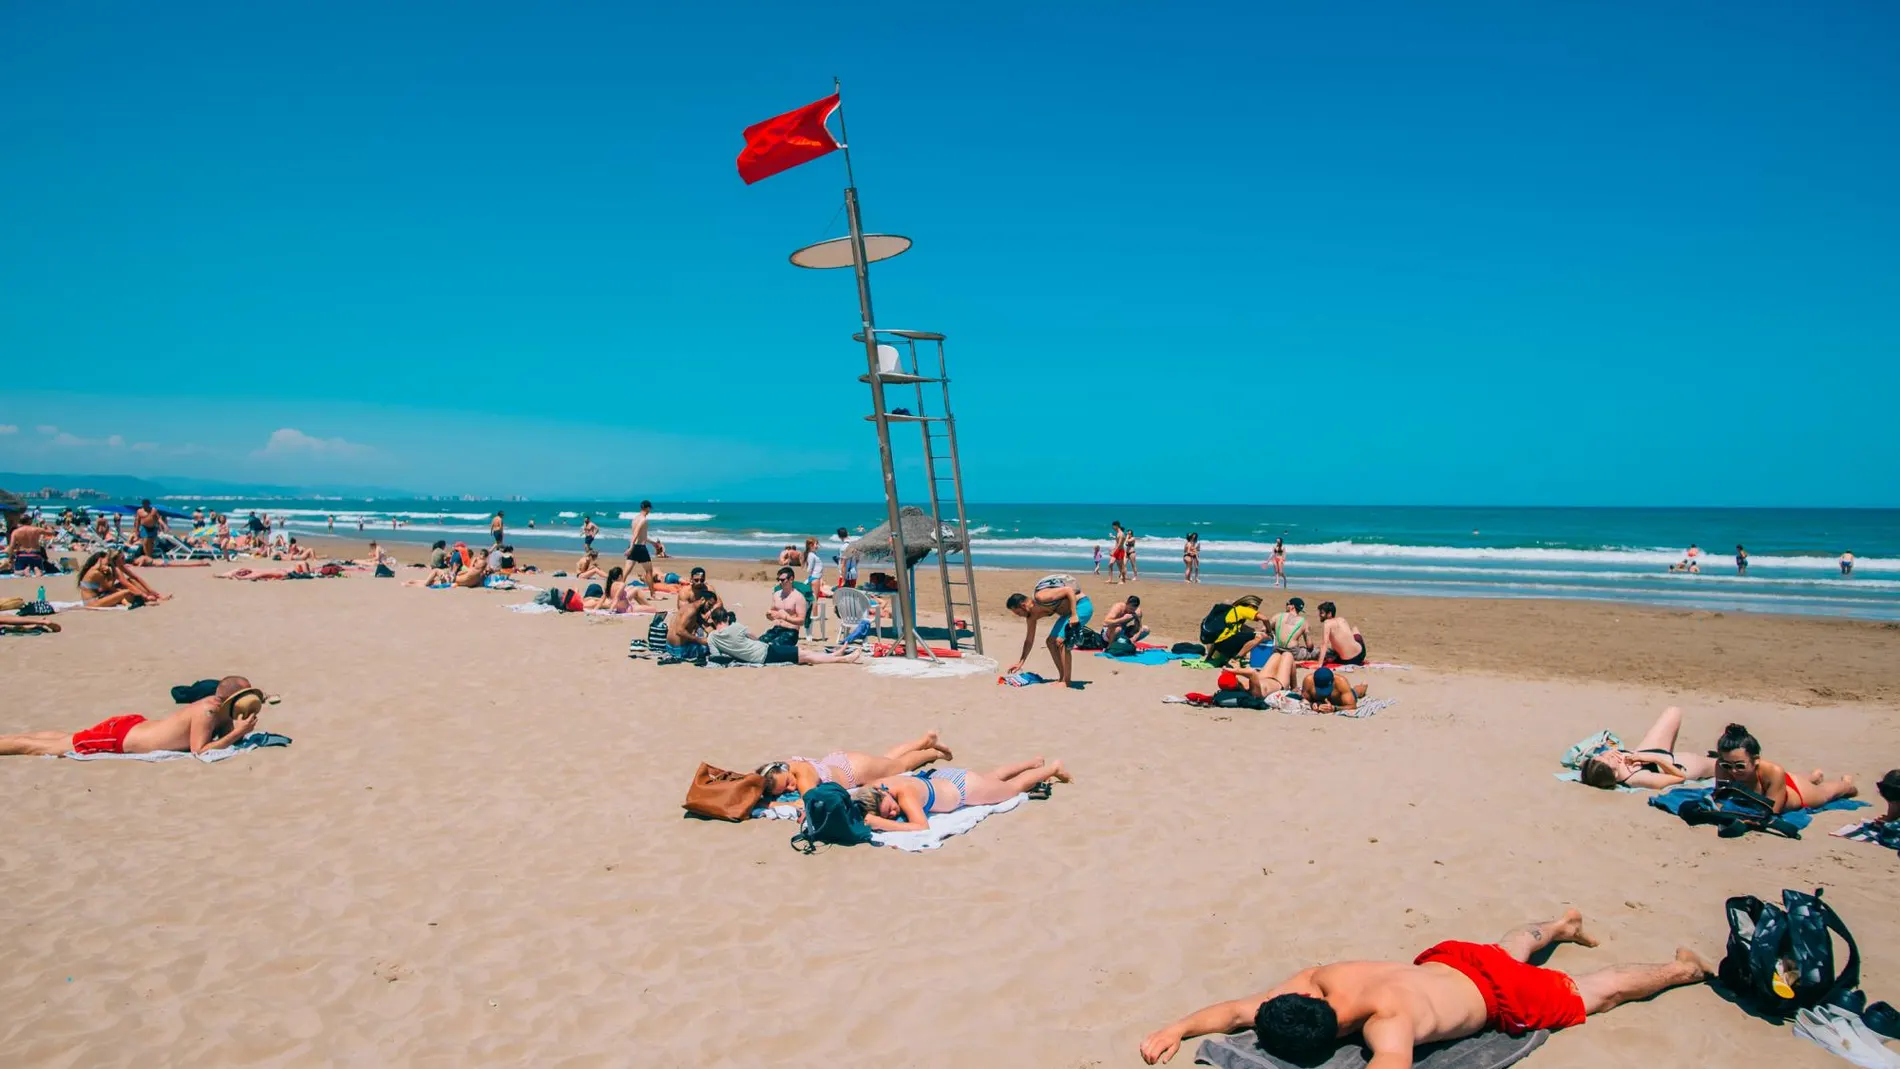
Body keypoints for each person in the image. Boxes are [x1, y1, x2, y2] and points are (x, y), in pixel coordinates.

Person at [1138, 909, 1710, 1066]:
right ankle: (1560, 925)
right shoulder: (1321, 981)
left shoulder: (1388, 1025)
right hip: (1452, 959)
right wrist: (1177, 1027)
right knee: (1510, 944)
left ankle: (1685, 969)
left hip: (1500, 1000)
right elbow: (1241, 1011)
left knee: (1599, 990)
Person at [1, 679, 267, 757]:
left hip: (131, 726)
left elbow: (223, 736)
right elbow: (200, 751)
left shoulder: (220, 712)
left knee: (64, 738)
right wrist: (237, 733)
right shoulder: (207, 711)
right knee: (45, 748)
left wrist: (237, 725)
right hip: (121, 738)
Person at [853, 758, 1071, 831]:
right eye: (888, 815)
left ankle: (1052, 768)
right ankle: (1032, 762)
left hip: (963, 789)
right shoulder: (881, 786)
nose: (893, 813)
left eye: (889, 809)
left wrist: (881, 824)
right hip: (943, 778)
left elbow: (921, 826)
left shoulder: (906, 796)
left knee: (1013, 789)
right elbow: (861, 792)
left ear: (886, 795)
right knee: (992, 777)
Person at [1713, 722, 1857, 813]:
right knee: (1798, 779)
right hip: (1778, 783)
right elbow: (1720, 799)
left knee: (1826, 792)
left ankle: (1846, 783)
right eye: (1727, 765)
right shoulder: (1721, 766)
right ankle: (1813, 777)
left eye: (1739, 766)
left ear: (1756, 760)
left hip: (1794, 794)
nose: (1732, 771)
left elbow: (1772, 810)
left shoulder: (1773, 771)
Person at [757, 731, 955, 797]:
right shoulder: (786, 765)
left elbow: (806, 800)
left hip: (854, 771)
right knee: (887, 761)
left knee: (898, 767)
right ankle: (924, 741)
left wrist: (775, 803)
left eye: (788, 782)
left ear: (784, 769)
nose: (792, 787)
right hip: (843, 763)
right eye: (785, 790)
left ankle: (931, 751)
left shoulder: (803, 773)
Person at [1577, 706, 1720, 790]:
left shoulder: (1603, 765)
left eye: (1601, 755)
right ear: (1614, 774)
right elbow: (1679, 778)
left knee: (1673, 711)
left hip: (1649, 751)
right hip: (1680, 766)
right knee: (1723, 765)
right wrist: (1653, 759)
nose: (1607, 754)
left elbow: (1587, 766)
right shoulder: (1638, 778)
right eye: (1606, 759)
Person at [1005, 574, 1090, 688]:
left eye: (1018, 613)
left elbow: (1069, 591)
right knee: (1050, 642)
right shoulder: (1031, 617)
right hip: (1067, 614)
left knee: (1060, 641)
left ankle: (1066, 681)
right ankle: (1062, 677)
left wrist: (1074, 615)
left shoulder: (1041, 597)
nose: (1019, 616)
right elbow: (1029, 640)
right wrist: (1021, 662)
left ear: (1023, 605)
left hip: (1081, 606)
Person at [707, 608, 858, 666]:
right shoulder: (736, 627)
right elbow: (755, 638)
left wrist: (734, 652)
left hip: (759, 654)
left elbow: (716, 656)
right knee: (804, 655)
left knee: (801, 651)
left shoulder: (712, 638)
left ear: (713, 621)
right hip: (763, 652)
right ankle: (841, 659)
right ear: (726, 618)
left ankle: (834, 654)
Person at [763, 566, 808, 642]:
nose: (780, 582)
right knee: (759, 643)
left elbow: (801, 621)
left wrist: (785, 617)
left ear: (791, 579)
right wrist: (769, 615)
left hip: (790, 631)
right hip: (777, 629)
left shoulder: (798, 597)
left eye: (782, 580)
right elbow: (772, 614)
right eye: (778, 580)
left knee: (774, 646)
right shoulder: (776, 595)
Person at [1316, 601, 1368, 666]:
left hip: (1348, 661)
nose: (1319, 615)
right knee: (1354, 629)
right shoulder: (1342, 619)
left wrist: (1319, 665)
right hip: (1361, 655)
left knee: (1333, 645)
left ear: (1329, 613)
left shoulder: (1327, 623)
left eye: (1321, 613)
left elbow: (1324, 644)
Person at [1296, 666, 1366, 713]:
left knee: (1357, 691)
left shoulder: (1341, 682)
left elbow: (1352, 706)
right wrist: (1312, 705)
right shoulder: (1308, 681)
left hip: (1339, 701)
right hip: (1319, 701)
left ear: (1333, 681)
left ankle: (1364, 685)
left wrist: (1335, 708)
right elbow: (1304, 700)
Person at [665, 594, 713, 660]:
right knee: (709, 648)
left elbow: (696, 625)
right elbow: (679, 631)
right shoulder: (691, 611)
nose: (709, 609)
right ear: (703, 599)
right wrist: (699, 640)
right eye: (709, 605)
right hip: (680, 650)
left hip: (669, 647)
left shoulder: (687, 607)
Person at [626, 500, 657, 586]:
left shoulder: (635, 518)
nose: (650, 510)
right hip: (640, 548)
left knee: (626, 572)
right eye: (650, 508)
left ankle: (617, 588)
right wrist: (631, 547)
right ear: (647, 508)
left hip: (634, 546)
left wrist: (653, 543)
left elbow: (640, 536)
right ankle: (653, 594)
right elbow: (636, 534)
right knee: (649, 571)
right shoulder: (644, 520)